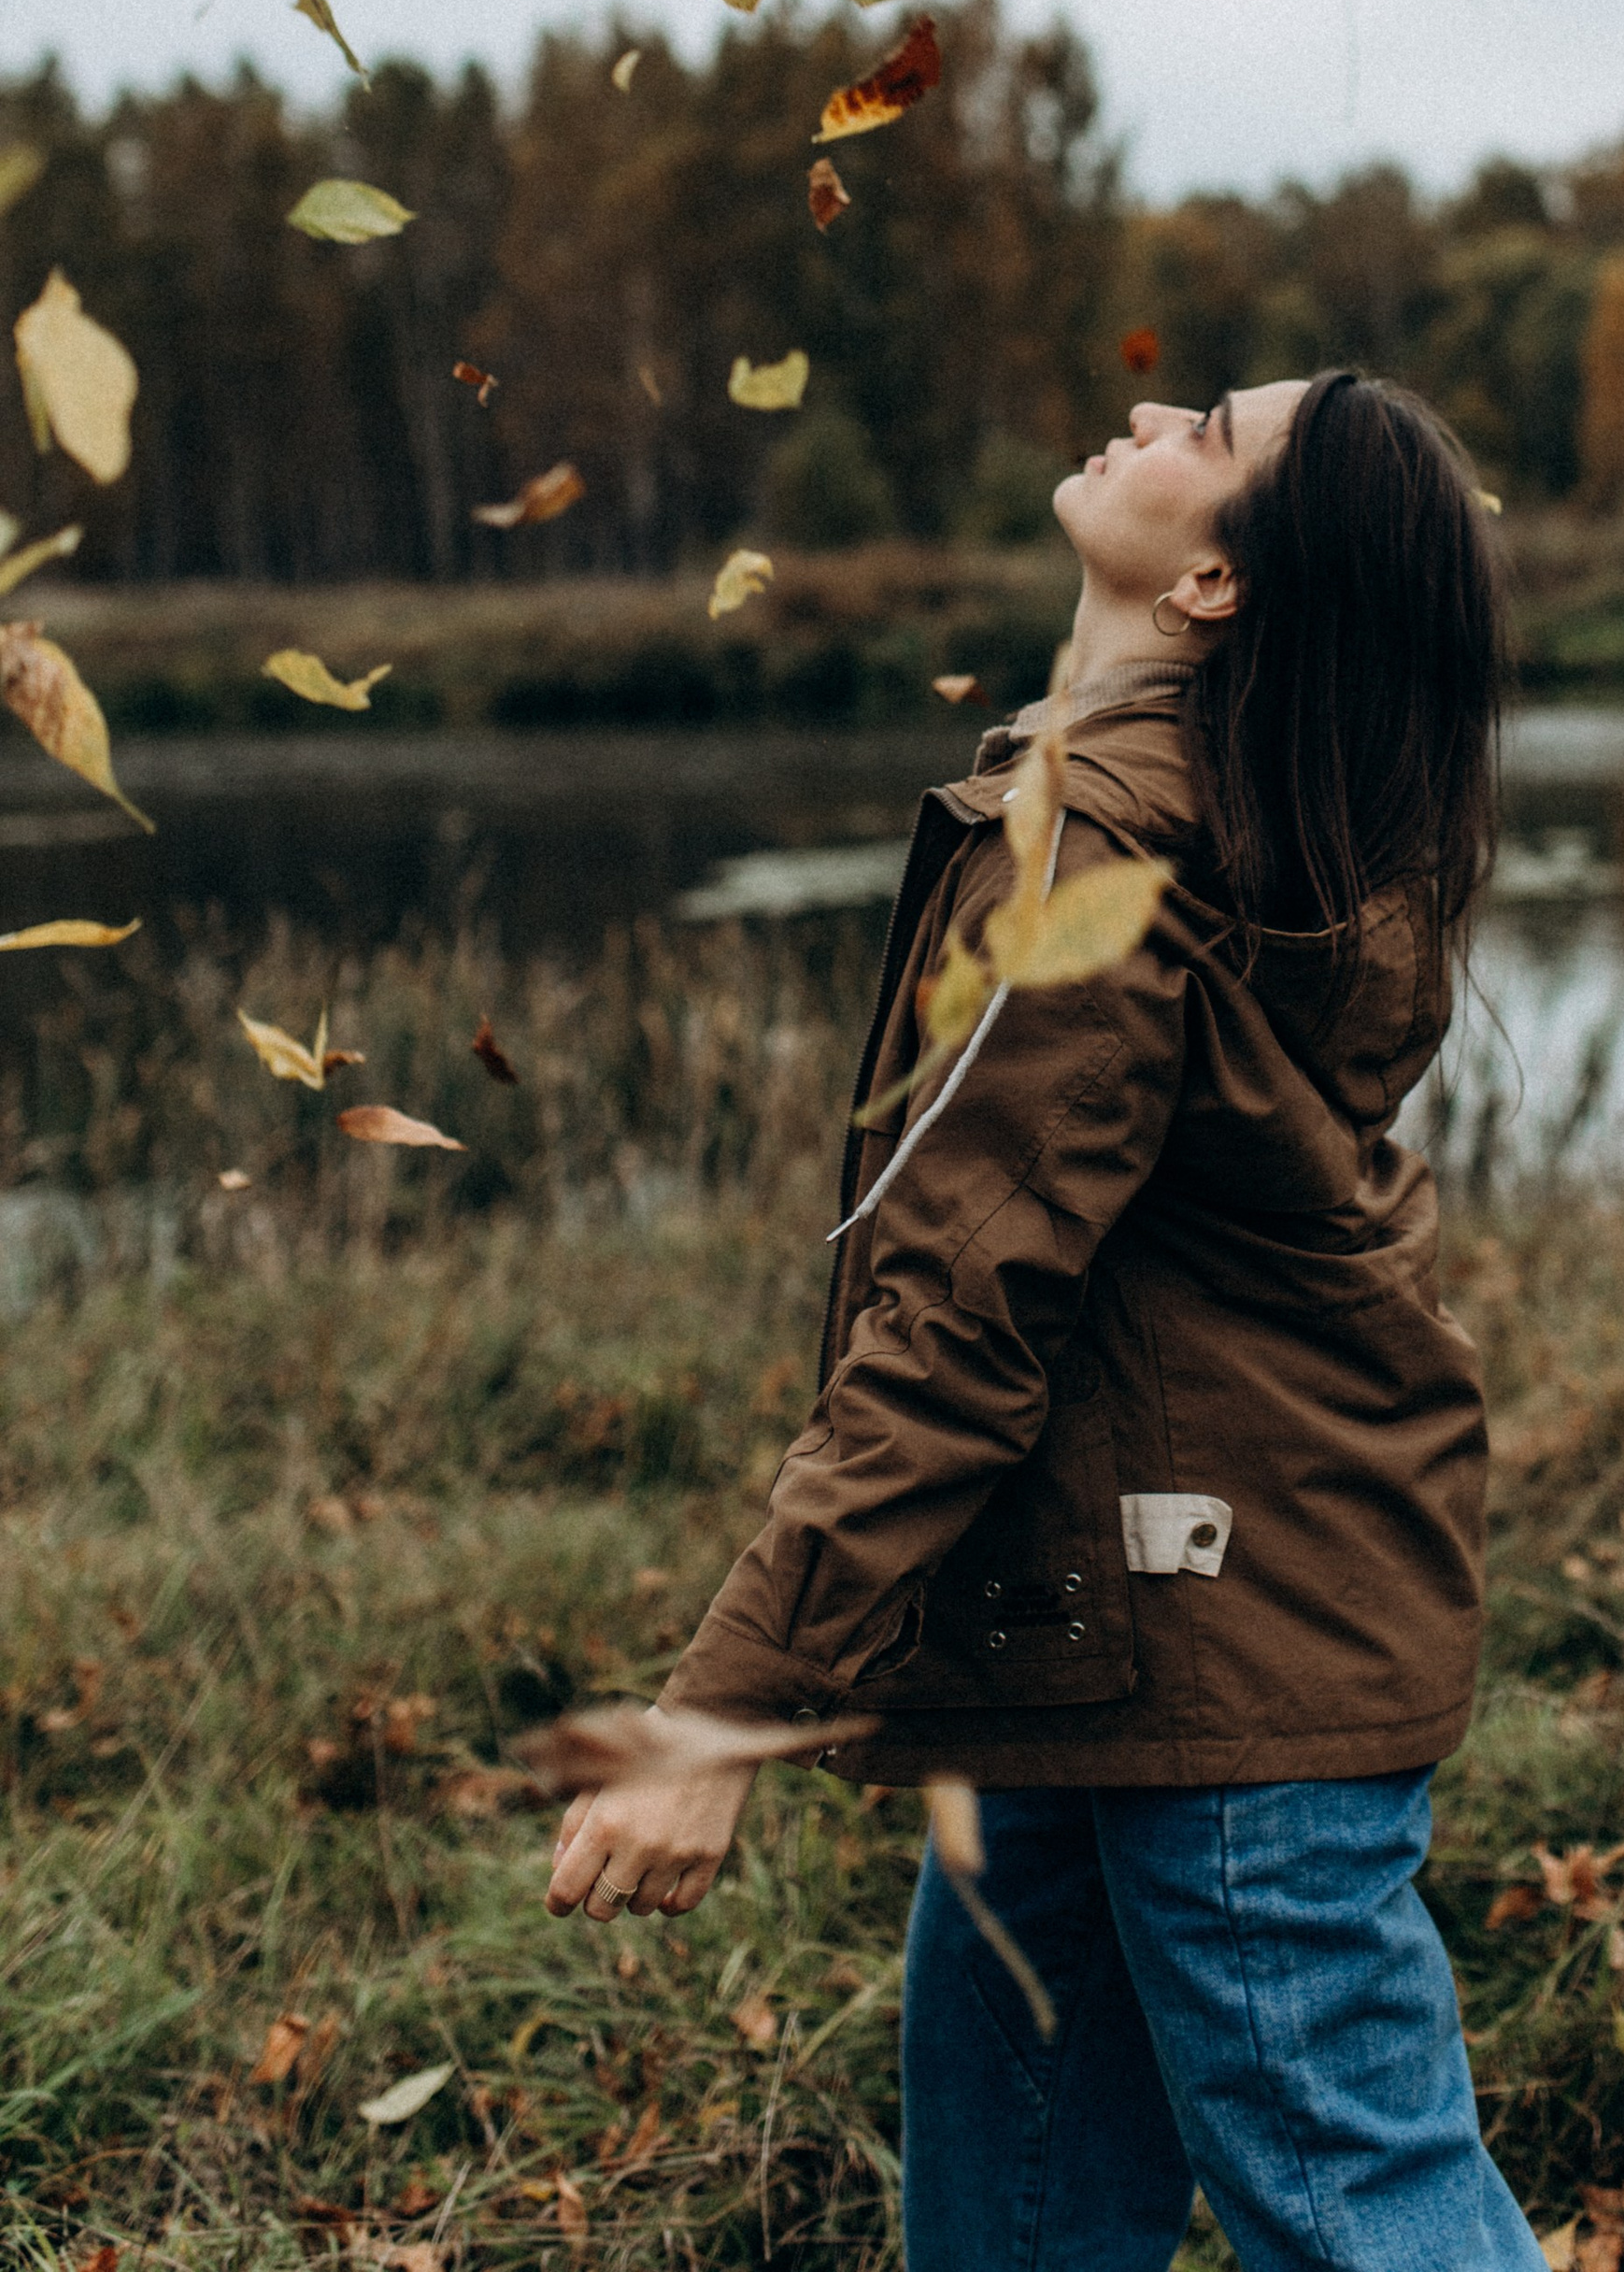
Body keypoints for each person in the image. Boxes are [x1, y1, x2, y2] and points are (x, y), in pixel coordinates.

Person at [544, 372, 1539, 2271]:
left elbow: (953, 1327)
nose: (1147, 407)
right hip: (1100, 1626)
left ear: (1216, 586)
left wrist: (716, 1720)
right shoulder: (1246, 818)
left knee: (1359, 2209)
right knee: (1013, 2210)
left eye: (1207, 429)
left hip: (1224, 1656)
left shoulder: (1100, 857)